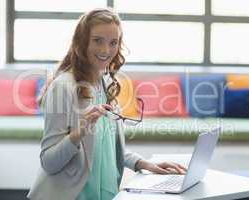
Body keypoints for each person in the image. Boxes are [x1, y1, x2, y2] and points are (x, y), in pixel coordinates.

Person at [27, 8, 186, 200]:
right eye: (97, 41)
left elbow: (108, 150)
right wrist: (79, 132)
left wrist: (143, 164)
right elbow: (49, 162)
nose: (106, 50)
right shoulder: (63, 87)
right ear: (82, 41)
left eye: (113, 43)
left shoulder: (106, 83)